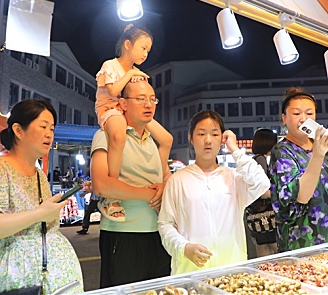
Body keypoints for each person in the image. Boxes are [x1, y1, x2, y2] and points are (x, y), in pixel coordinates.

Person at [0, 99, 83, 294]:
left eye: (51, 129)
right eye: (43, 126)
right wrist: (39, 214)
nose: (49, 134)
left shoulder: (39, 175)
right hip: (14, 282)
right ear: (18, 130)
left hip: (53, 281)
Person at [158, 110, 270, 275]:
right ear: (191, 138)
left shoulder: (233, 178)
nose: (208, 140)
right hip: (191, 273)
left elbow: (262, 183)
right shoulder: (177, 180)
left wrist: (234, 148)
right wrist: (184, 248)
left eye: (215, 134)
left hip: (232, 271)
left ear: (222, 139)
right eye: (201, 134)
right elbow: (165, 224)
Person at [90, 79, 172, 288]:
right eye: (141, 99)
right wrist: (148, 194)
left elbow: (166, 177)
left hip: (159, 233)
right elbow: (101, 185)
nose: (148, 104)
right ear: (123, 104)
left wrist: (163, 188)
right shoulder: (106, 136)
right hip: (123, 233)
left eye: (153, 99)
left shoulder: (153, 142)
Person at [95, 24, 173, 222]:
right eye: (143, 48)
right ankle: (112, 194)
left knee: (167, 138)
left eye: (148, 50)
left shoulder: (136, 72)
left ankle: (157, 182)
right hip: (110, 109)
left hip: (125, 111)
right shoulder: (111, 65)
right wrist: (130, 75)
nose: (146, 53)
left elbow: (137, 94)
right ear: (128, 45)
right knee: (119, 135)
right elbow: (113, 92)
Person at [270, 87, 328, 252]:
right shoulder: (282, 151)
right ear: (284, 118)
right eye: (296, 114)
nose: (303, 119)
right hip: (300, 242)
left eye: (309, 114)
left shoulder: (321, 148)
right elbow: (296, 201)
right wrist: (317, 155)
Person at [245, 128, 278, 257]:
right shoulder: (261, 160)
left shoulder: (253, 160)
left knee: (263, 256)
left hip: (256, 217)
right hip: (267, 217)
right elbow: (262, 190)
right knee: (279, 255)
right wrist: (280, 195)